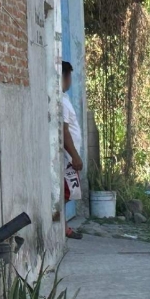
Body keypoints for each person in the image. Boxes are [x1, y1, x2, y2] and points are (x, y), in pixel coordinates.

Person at [62, 62, 83, 240]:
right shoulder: (60, 101)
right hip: (67, 158)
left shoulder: (65, 97)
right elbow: (64, 130)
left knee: (70, 192)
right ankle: (61, 225)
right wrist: (74, 156)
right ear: (65, 76)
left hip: (71, 156)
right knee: (67, 192)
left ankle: (63, 225)